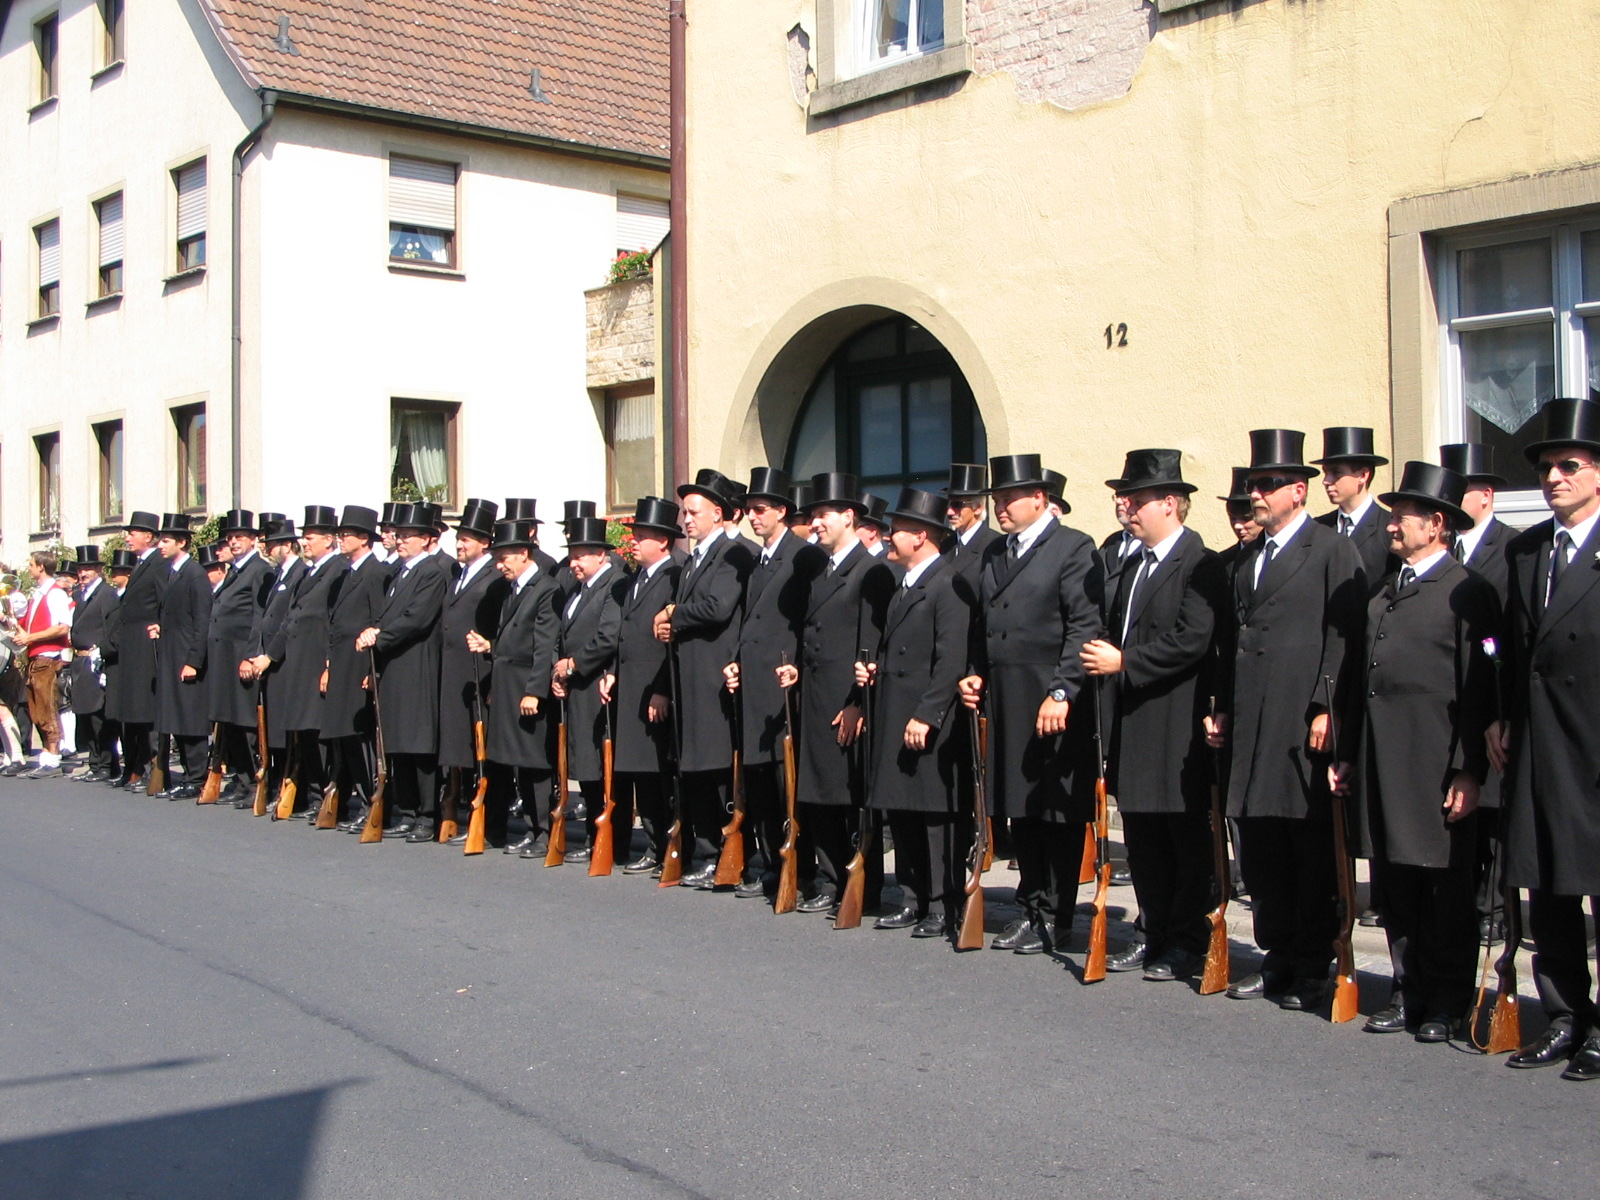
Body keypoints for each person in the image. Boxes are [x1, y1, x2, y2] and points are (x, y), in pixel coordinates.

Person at [1330, 462, 1498, 1042]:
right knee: (1395, 882)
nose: (1392, 525)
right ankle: (1407, 989)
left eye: (1403, 516)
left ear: (1437, 525)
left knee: (1444, 889)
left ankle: (1447, 999)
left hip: (1435, 762)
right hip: (1383, 759)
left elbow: (1479, 687)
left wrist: (1468, 770)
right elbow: (1358, 681)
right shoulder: (1385, 591)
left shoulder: (1467, 590)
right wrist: (1349, 753)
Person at [1207, 430, 1365, 1011]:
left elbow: (1342, 637)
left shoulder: (1328, 549)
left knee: (1306, 845)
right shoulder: (1247, 558)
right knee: (1262, 847)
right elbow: (1231, 642)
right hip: (1252, 716)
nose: (1257, 494)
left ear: (1298, 491)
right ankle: (1276, 956)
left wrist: (1327, 706)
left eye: (1268, 485)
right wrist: (1222, 706)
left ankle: (1311, 961)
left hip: (1300, 718)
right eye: (1253, 485)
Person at [1081, 450, 1224, 981]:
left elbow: (1192, 639)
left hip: (1177, 723)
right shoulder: (1130, 562)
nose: (1129, 508)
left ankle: (1186, 939)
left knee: (1181, 838)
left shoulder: (1199, 563)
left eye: (1138, 499)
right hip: (1133, 720)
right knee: (1141, 838)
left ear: (1171, 503)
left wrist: (1126, 662)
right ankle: (1153, 929)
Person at [1492, 398, 1600, 1080]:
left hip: (1594, 740)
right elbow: (1510, 645)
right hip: (1540, 743)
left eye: (1569, 465)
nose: (1553, 478)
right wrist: (1500, 715)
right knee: (1549, 893)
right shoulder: (1529, 550)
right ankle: (1564, 1015)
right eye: (1545, 468)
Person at [959, 454, 1102, 956]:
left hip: (1049, 699)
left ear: (1039, 499)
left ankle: (1056, 913)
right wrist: (975, 669)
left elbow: (1082, 624)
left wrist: (1063, 689)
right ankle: (1029, 903)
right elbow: (983, 622)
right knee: (1019, 811)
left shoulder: (1072, 547)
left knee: (1053, 812)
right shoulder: (997, 552)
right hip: (1005, 696)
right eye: (996, 499)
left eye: (1008, 499)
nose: (1000, 507)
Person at [858, 488, 975, 939]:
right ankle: (913, 897)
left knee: (933, 816)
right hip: (894, 710)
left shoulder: (946, 584)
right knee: (902, 810)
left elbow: (950, 659)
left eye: (897, 530)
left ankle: (943, 903)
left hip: (928, 718)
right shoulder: (904, 583)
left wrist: (928, 714)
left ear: (921, 536)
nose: (889, 537)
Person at [777, 472, 890, 914]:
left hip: (847, 700)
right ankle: (827, 878)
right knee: (819, 794)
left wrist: (857, 704)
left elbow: (871, 645)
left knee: (851, 797)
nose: (816, 523)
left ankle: (862, 882)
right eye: (813, 516)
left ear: (848, 516)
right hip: (816, 694)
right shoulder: (820, 569)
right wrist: (796, 669)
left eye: (823, 515)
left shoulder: (872, 570)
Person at [723, 468, 824, 899]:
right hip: (754, 685)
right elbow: (748, 620)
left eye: (761, 509)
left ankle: (799, 867)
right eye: (749, 510)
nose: (753, 517)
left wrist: (798, 666)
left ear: (782, 511)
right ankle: (769, 863)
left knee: (787, 785)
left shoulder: (803, 555)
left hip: (783, 685)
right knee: (760, 782)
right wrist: (735, 661)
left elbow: (811, 621)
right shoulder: (759, 559)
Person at [653, 469, 751, 889]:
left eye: (694, 512)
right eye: (684, 512)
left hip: (715, 677)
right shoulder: (693, 559)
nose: (686, 520)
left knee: (716, 771)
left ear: (718, 512)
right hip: (687, 677)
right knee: (692, 767)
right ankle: (705, 850)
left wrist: (674, 616)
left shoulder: (735, 552)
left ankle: (724, 851)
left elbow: (717, 607)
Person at [1439, 442, 1515, 945]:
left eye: (1461, 490)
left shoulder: (1510, 546)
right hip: (1454, 679)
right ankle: (1473, 899)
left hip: (1496, 670)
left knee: (1495, 812)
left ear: (1484, 495)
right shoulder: (1450, 551)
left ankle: (1495, 904)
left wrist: (1493, 657)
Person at [356, 503, 450, 839]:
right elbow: (387, 613)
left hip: (418, 666)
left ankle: (427, 815)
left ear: (426, 539)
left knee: (419, 744)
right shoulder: (400, 573)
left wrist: (380, 637)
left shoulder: (431, 573)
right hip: (394, 668)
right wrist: (374, 631)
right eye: (400, 535)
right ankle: (408, 811)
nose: (401, 541)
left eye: (408, 536)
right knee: (397, 743)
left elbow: (416, 619)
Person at [467, 518, 561, 852]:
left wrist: (535, 691)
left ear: (523, 553)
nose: (499, 564)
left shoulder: (545, 589)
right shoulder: (512, 589)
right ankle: (529, 828)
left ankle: (543, 831)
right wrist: (491, 652)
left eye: (504, 557)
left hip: (527, 688)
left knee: (535, 762)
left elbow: (544, 645)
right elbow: (512, 641)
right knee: (514, 759)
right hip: (507, 685)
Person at [601, 498, 683, 873]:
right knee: (638, 771)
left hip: (655, 687)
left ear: (663, 541)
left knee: (657, 772)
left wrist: (663, 687)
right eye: (633, 536)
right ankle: (651, 839)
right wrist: (614, 672)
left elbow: (671, 641)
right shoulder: (637, 579)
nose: (632, 542)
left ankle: (664, 843)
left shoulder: (674, 575)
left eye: (642, 536)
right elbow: (625, 634)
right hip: (631, 686)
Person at [551, 516, 626, 862]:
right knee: (585, 764)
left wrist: (575, 664)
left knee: (601, 765)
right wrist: (560, 670)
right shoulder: (578, 590)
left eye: (580, 556)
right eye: (571, 556)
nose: (573, 563)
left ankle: (608, 837)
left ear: (600, 555)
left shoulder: (613, 584)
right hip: (577, 688)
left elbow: (607, 637)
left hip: (598, 686)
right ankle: (595, 835)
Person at [259, 506, 342, 813]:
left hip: (317, 660)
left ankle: (328, 795)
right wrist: (270, 656)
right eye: (304, 537)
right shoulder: (310, 572)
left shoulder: (338, 570)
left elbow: (337, 621)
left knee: (318, 732)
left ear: (328, 540)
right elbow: (290, 619)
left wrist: (330, 665)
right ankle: (313, 794)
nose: (305, 543)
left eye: (311, 537)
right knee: (303, 731)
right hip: (298, 662)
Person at [437, 499, 507, 845]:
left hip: (480, 673)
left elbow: (499, 629)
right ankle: (460, 809)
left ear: (484, 543)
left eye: (467, 538)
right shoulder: (457, 574)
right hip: (456, 674)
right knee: (458, 748)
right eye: (459, 537)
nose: (460, 544)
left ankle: (489, 821)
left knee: (482, 752)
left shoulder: (494, 578)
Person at [323, 506, 390, 831]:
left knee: (361, 737)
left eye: (345, 535)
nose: (340, 540)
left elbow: (379, 621)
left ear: (364, 539)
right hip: (342, 663)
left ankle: (371, 800)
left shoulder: (374, 572)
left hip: (360, 664)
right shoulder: (346, 572)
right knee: (344, 735)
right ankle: (356, 798)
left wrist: (371, 670)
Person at [207, 511, 273, 803]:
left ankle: (254, 779)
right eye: (230, 538)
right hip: (222, 655)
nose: (234, 542)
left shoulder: (259, 570)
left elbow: (259, 617)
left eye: (240, 537)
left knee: (246, 722)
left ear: (253, 540)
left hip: (241, 653)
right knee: (228, 720)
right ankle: (241, 778)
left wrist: (251, 655)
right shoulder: (234, 570)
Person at [239, 516, 304, 808]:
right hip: (267, 661)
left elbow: (289, 621)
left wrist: (270, 654)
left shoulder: (298, 573)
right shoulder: (277, 575)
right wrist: (255, 653)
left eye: (276, 544)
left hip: (283, 661)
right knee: (270, 728)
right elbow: (264, 620)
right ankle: (274, 780)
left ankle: (290, 785)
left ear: (289, 545)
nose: (270, 548)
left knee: (284, 730)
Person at [149, 514, 214, 799]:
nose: (160, 545)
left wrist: (193, 661)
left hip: (187, 658)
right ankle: (188, 774)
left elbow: (202, 621)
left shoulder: (195, 574)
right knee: (176, 717)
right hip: (171, 654)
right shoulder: (171, 572)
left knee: (190, 719)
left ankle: (197, 776)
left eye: (165, 541)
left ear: (182, 542)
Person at [104, 511, 163, 789]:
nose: (128, 538)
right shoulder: (141, 564)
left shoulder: (158, 564)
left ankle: (154, 767)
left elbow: (163, 602)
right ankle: (135, 766)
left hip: (146, 646)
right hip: (132, 647)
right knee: (133, 711)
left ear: (148, 537)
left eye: (133, 533)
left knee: (146, 710)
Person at [11, 551, 74, 778]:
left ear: (40, 567)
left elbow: (62, 627)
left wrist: (30, 638)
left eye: (31, 564)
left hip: (47, 657)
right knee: (37, 709)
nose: (29, 568)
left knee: (47, 708)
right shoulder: (38, 594)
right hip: (35, 657)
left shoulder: (55, 594)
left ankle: (54, 756)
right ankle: (48, 753)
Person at [1314, 426, 1396, 587]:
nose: (1326, 481)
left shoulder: (1389, 528)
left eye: (1336, 473)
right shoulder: (1318, 527)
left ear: (1363, 475)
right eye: (1325, 472)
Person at [67, 546, 118, 783]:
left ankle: (107, 763)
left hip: (95, 659)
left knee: (100, 716)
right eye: (80, 569)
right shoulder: (81, 594)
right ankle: (95, 762)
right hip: (80, 660)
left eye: (88, 568)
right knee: (85, 715)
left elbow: (110, 627)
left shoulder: (106, 594)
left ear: (99, 569)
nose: (83, 573)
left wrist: (101, 652)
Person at [944, 463, 999, 595]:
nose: (950, 511)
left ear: (978, 508)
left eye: (958, 505)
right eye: (949, 504)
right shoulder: (944, 546)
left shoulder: (995, 546)